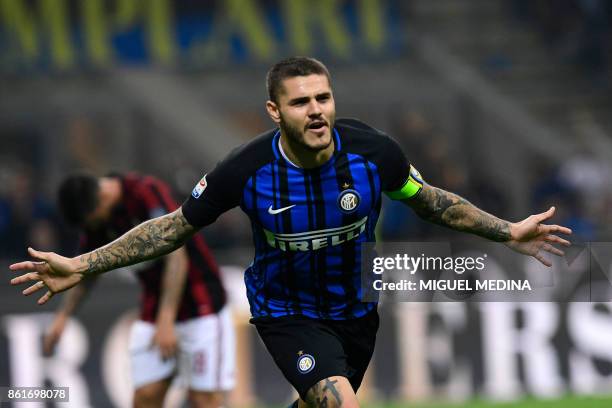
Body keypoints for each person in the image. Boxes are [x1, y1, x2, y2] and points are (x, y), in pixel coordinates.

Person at [11, 57, 571, 408]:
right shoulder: (245, 170)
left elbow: (430, 202)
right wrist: (82, 265)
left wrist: (507, 232)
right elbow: (172, 229)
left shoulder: (374, 152)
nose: (316, 111)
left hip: (356, 311)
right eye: (301, 102)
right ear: (275, 112)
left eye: (323, 98)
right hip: (288, 314)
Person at [40, 173, 234, 408]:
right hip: (153, 308)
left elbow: (177, 256)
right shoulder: (99, 221)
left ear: (101, 200)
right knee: (145, 397)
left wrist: (166, 319)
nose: (90, 228)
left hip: (201, 306)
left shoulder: (145, 192)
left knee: (204, 400)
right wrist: (62, 318)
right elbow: (85, 272)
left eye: (89, 222)